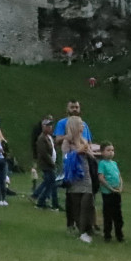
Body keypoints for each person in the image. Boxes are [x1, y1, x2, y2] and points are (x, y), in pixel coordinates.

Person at [54, 100, 91, 232]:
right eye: (72, 107)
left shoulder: (84, 124)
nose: (75, 109)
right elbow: (58, 140)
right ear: (67, 108)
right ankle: (72, 223)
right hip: (72, 163)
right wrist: (69, 136)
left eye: (77, 107)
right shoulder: (63, 123)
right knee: (73, 196)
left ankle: (86, 224)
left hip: (84, 162)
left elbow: (89, 142)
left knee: (86, 195)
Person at [61, 117, 96, 244]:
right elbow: (65, 158)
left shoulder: (84, 140)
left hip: (86, 176)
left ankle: (86, 230)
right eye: (80, 125)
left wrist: (89, 152)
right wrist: (77, 151)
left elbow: (91, 155)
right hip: (74, 177)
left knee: (86, 204)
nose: (83, 127)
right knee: (76, 206)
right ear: (74, 126)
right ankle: (81, 232)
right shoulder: (67, 141)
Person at [97, 142, 124, 242]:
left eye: (112, 150)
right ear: (102, 152)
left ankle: (119, 235)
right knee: (108, 214)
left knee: (118, 214)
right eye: (108, 150)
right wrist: (110, 188)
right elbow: (101, 177)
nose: (111, 152)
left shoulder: (114, 163)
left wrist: (120, 186)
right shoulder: (102, 163)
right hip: (108, 193)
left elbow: (119, 176)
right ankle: (107, 235)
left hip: (116, 192)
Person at [33, 119, 59, 211]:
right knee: (51, 184)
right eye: (47, 126)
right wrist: (52, 163)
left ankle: (42, 202)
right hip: (47, 165)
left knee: (49, 184)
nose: (50, 127)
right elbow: (44, 153)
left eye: (50, 126)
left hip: (50, 164)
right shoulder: (41, 138)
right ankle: (42, 202)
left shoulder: (49, 137)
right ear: (43, 126)